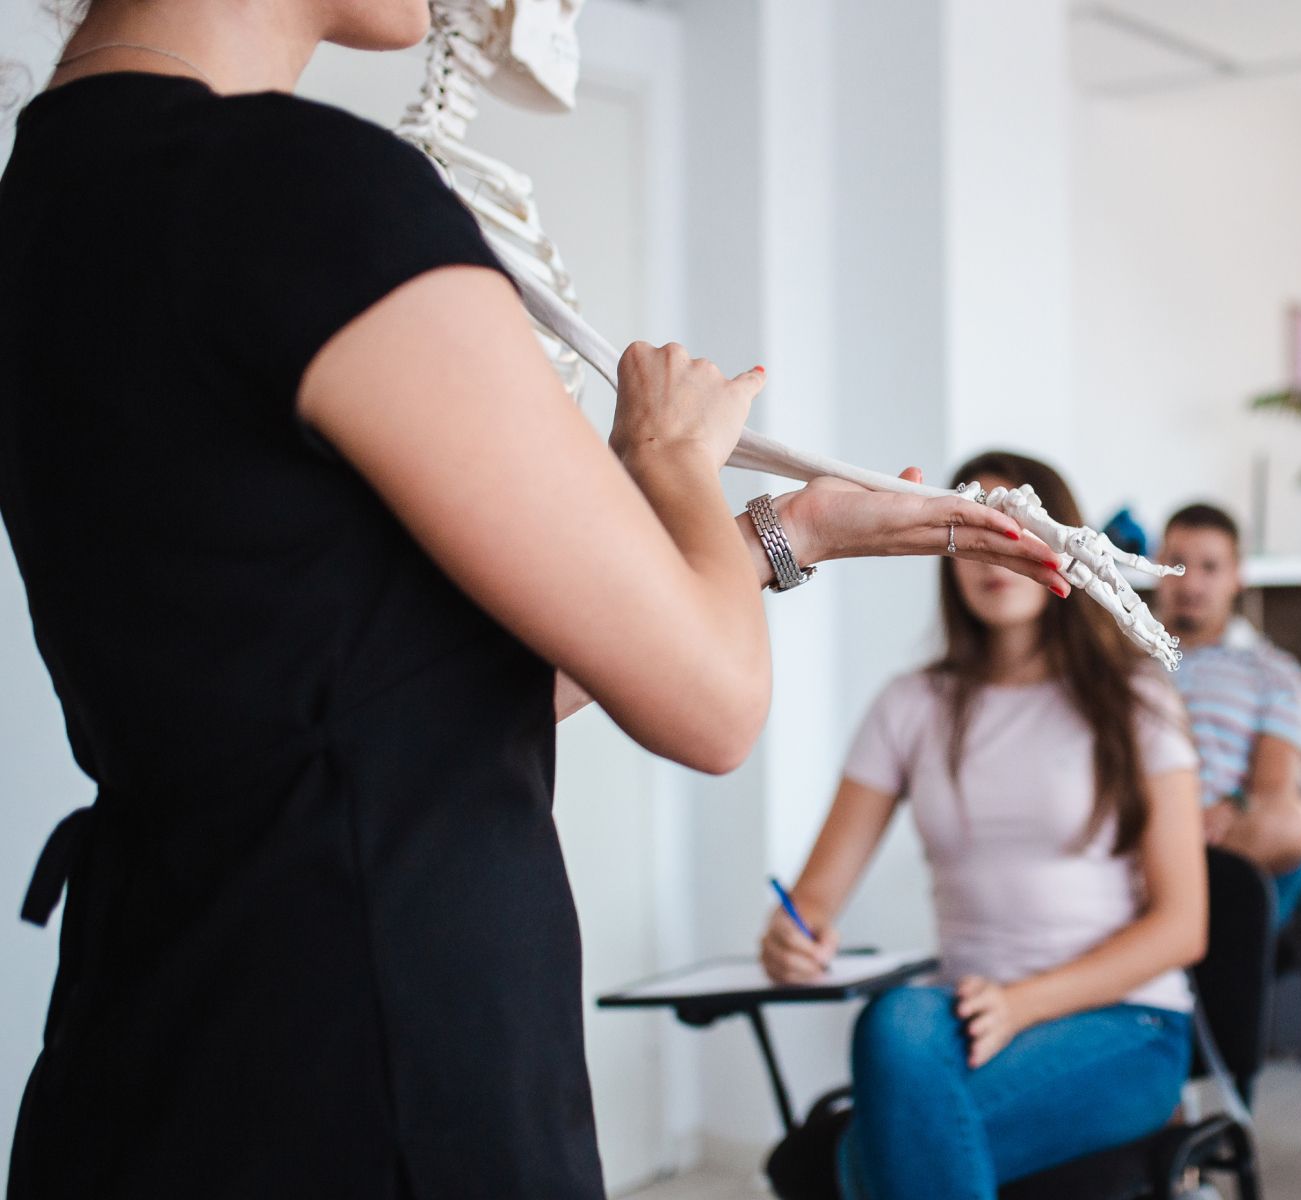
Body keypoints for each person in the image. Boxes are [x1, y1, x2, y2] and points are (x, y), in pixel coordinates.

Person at [0, 5, 1069, 1197]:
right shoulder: (304, 186)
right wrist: (668, 459)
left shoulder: (48, 199)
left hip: (151, 1039)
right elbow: (712, 708)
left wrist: (787, 531)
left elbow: (384, 691)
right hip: (380, 1065)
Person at [759, 452, 1206, 1200]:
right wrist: (791, 935)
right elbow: (812, 902)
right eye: (971, 523)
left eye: (1018, 521)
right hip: (960, 1024)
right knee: (895, 1021)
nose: (996, 545)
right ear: (945, 544)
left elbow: (1182, 927)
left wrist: (1024, 1003)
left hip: (1124, 1027)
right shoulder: (911, 706)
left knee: (860, 1160)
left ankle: (856, 1166)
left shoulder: (1138, 701)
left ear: (1063, 539)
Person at [1153, 502, 1301, 925]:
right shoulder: (1119, 660)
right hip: (1134, 817)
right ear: (1156, 565)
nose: (1190, 582)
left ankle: (1171, 905)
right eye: (1177, 563)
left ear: (1237, 577)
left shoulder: (1273, 672)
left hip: (1221, 838)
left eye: (1209, 567)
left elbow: (1276, 788)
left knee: (1296, 822)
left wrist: (1231, 807)